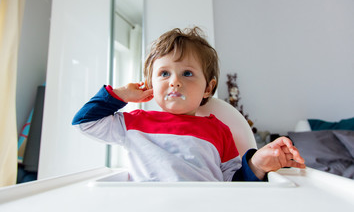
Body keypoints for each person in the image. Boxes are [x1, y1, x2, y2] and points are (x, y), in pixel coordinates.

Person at [72, 27, 305, 182]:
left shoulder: (219, 131)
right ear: (149, 84)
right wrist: (120, 94)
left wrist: (257, 164)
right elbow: (85, 122)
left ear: (208, 88)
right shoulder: (134, 123)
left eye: (187, 73)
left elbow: (235, 183)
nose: (175, 81)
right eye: (164, 73)